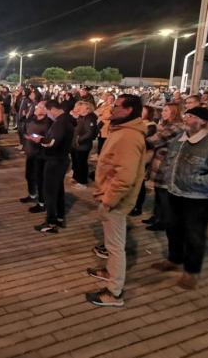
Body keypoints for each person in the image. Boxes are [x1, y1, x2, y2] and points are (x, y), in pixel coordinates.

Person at [153, 107, 208, 289]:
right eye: (186, 115)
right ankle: (174, 259)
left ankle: (191, 272)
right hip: (173, 192)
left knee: (194, 236)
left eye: (191, 116)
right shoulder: (179, 140)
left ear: (203, 121)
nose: (185, 118)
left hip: (197, 198)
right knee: (172, 229)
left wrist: (200, 180)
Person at [86, 95, 146, 307]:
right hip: (111, 197)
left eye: (117, 106)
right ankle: (110, 273)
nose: (112, 109)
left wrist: (108, 201)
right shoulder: (123, 131)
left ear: (129, 110)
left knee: (115, 247)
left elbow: (125, 177)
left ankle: (114, 292)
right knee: (113, 244)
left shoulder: (128, 136)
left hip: (116, 201)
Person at [31, 100, 74, 233]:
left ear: (52, 109)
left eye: (48, 112)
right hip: (61, 159)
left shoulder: (60, 123)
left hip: (55, 161)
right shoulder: (66, 119)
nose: (48, 115)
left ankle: (51, 222)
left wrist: (40, 140)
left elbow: (52, 143)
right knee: (58, 190)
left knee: (49, 192)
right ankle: (59, 218)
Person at [144, 103, 184, 231]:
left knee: (163, 194)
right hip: (160, 162)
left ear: (174, 112)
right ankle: (156, 216)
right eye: (163, 111)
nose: (162, 113)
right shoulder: (167, 125)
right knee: (158, 191)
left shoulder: (176, 127)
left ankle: (164, 221)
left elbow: (154, 140)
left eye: (166, 111)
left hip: (166, 163)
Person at [20, 102, 52, 212]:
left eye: (39, 107)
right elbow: (24, 128)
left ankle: (42, 203)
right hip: (30, 152)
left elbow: (49, 139)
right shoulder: (32, 118)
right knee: (29, 176)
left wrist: (40, 138)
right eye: (37, 106)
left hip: (41, 154)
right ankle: (32, 195)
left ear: (45, 110)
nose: (36, 108)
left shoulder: (49, 122)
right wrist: (25, 135)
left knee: (40, 179)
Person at [129, 105, 158, 217]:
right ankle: (131, 203)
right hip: (134, 154)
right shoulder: (138, 123)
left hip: (143, 156)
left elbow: (146, 141)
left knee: (139, 182)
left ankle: (138, 206)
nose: (140, 112)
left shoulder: (151, 126)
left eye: (143, 111)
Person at [71, 101, 98, 189]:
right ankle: (77, 177)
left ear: (87, 109)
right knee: (77, 162)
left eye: (81, 108)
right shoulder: (82, 117)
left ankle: (82, 182)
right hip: (77, 145)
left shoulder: (90, 118)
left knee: (82, 163)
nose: (79, 109)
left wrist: (79, 140)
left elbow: (89, 133)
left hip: (83, 146)